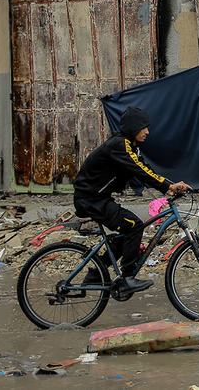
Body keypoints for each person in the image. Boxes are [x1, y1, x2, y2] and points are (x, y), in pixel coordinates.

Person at [73, 106, 190, 294]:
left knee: (125, 232)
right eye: (144, 127)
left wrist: (169, 184)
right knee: (134, 225)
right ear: (135, 127)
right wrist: (167, 186)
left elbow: (144, 168)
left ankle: (97, 271)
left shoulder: (130, 147)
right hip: (90, 199)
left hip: (96, 198)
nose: (148, 132)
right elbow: (140, 171)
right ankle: (127, 278)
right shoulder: (120, 145)